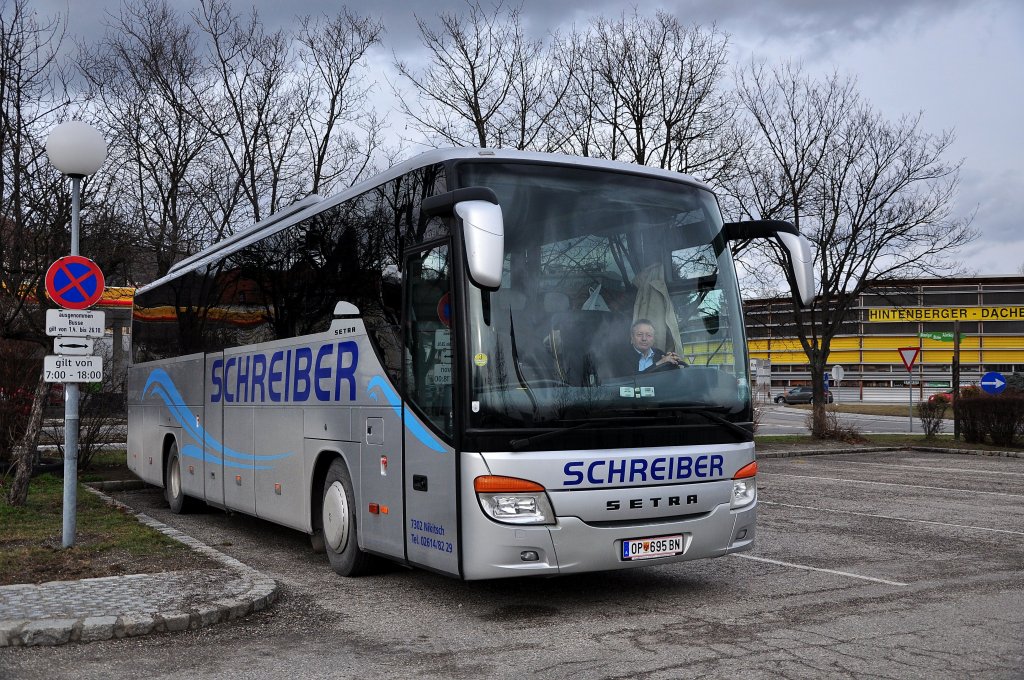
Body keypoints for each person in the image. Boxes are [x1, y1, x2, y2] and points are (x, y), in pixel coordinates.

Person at [610, 319, 684, 376]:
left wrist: (674, 363)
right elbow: (633, 379)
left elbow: (673, 378)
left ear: (653, 339)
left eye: (649, 335)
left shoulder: (660, 354)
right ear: (632, 338)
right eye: (639, 334)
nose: (644, 338)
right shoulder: (621, 356)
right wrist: (660, 363)